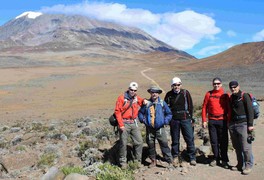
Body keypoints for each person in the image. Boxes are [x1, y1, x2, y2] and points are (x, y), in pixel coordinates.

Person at [138, 85, 173, 168]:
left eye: (156, 92)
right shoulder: (146, 103)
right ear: (150, 93)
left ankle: (169, 161)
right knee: (150, 145)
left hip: (160, 128)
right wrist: (143, 120)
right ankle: (153, 161)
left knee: (164, 144)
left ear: (158, 94)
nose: (154, 94)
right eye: (153, 92)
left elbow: (169, 113)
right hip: (150, 128)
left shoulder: (162, 103)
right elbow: (140, 113)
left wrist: (165, 121)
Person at [164, 77, 196, 166]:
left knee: (189, 138)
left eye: (178, 85)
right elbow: (165, 107)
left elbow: (190, 106)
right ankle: (175, 156)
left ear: (181, 85)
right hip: (174, 119)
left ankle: (192, 157)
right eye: (174, 85)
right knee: (175, 139)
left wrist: (190, 118)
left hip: (185, 118)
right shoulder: (168, 95)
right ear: (172, 86)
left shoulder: (185, 93)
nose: (176, 87)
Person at [114, 82, 144, 169]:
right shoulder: (121, 98)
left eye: (135, 90)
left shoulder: (136, 98)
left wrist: (145, 101)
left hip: (133, 123)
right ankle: (123, 162)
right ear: (128, 89)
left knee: (139, 141)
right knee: (123, 143)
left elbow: (142, 102)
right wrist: (121, 124)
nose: (133, 92)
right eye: (131, 90)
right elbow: (117, 112)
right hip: (124, 123)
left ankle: (137, 161)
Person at [201, 77, 229, 168]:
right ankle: (216, 158)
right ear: (212, 84)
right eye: (215, 84)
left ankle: (224, 160)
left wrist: (229, 120)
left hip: (222, 120)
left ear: (221, 84)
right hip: (212, 121)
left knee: (224, 141)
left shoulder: (225, 95)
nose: (216, 85)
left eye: (218, 84)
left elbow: (229, 109)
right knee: (214, 141)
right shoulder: (209, 94)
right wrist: (204, 120)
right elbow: (204, 107)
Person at [228, 80, 254, 175]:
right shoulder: (231, 98)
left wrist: (250, 125)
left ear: (239, 86)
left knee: (246, 146)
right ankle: (239, 164)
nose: (233, 89)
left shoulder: (244, 96)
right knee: (237, 146)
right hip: (233, 124)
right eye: (231, 87)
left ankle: (248, 165)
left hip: (243, 124)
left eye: (235, 87)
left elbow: (250, 110)